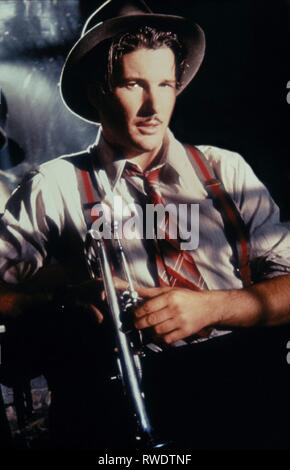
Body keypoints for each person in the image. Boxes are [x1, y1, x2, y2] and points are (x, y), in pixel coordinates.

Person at [0, 0, 290, 449]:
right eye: (134, 84)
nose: (154, 106)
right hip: (119, 407)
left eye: (166, 84)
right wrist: (58, 301)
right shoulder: (54, 185)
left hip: (244, 392)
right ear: (98, 90)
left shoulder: (225, 169)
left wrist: (211, 308)